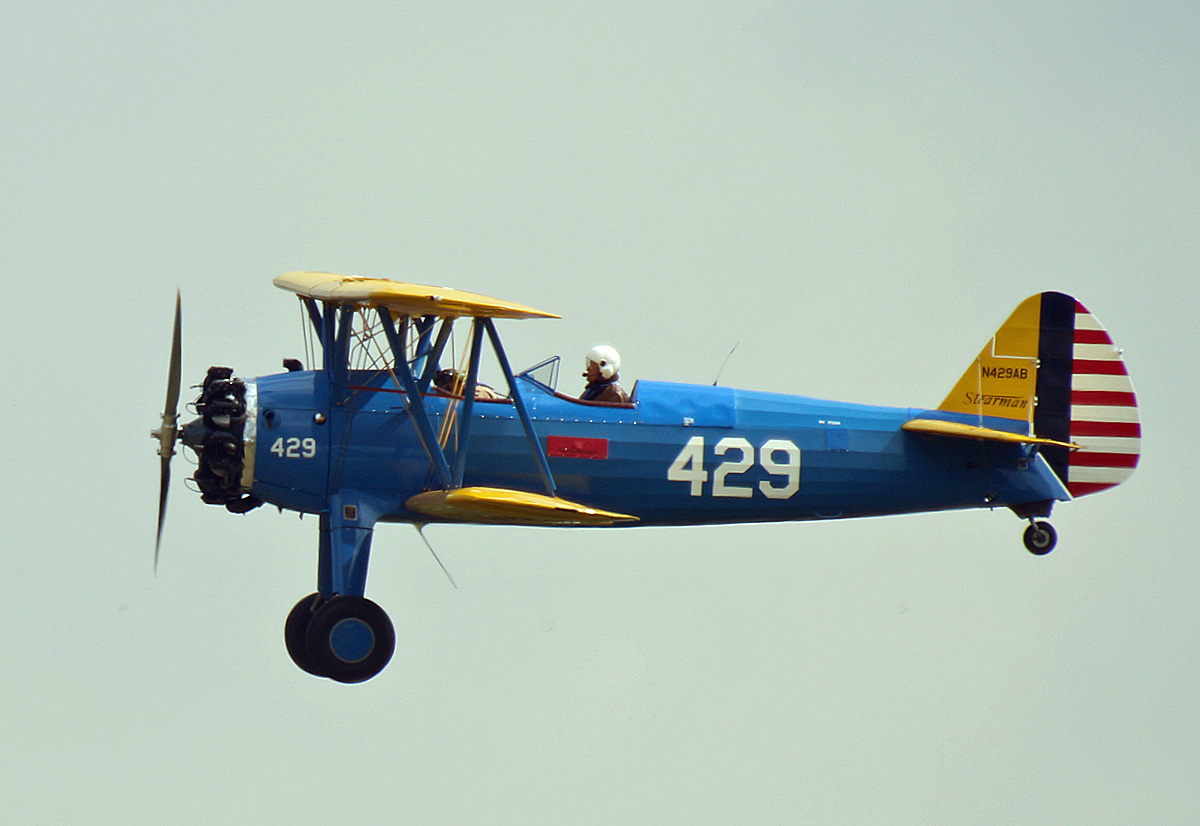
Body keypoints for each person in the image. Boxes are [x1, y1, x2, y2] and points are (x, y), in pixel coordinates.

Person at [433, 368, 503, 400]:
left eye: (448, 388)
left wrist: (443, 392)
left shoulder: (480, 390)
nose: (446, 389)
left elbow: (473, 400)